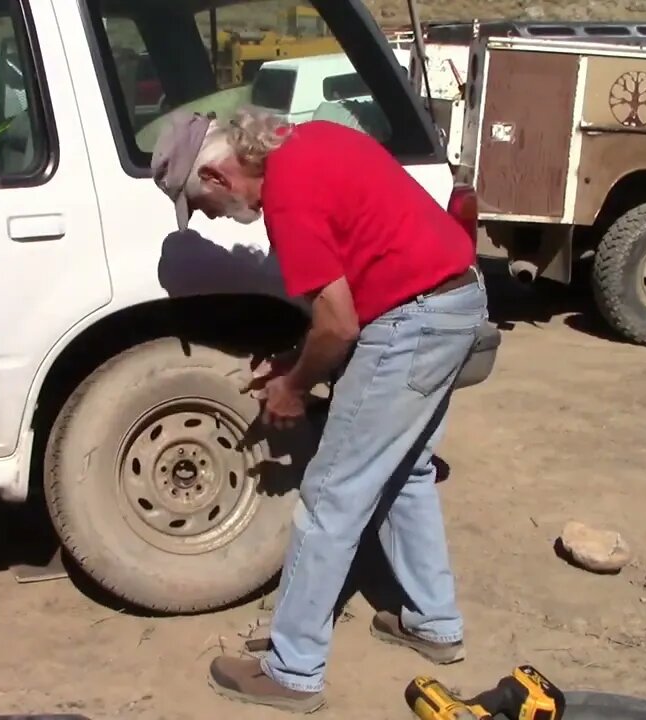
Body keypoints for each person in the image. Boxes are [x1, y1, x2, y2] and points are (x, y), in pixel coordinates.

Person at [149, 108, 488, 714]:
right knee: (407, 471)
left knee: (330, 497)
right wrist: (294, 358)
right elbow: (352, 285)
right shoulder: (316, 142)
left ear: (221, 176)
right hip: (455, 299)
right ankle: (434, 624)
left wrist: (293, 387)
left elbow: (339, 323)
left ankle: (292, 669)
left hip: (411, 321)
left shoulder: (288, 198)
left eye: (202, 204)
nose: (213, 217)